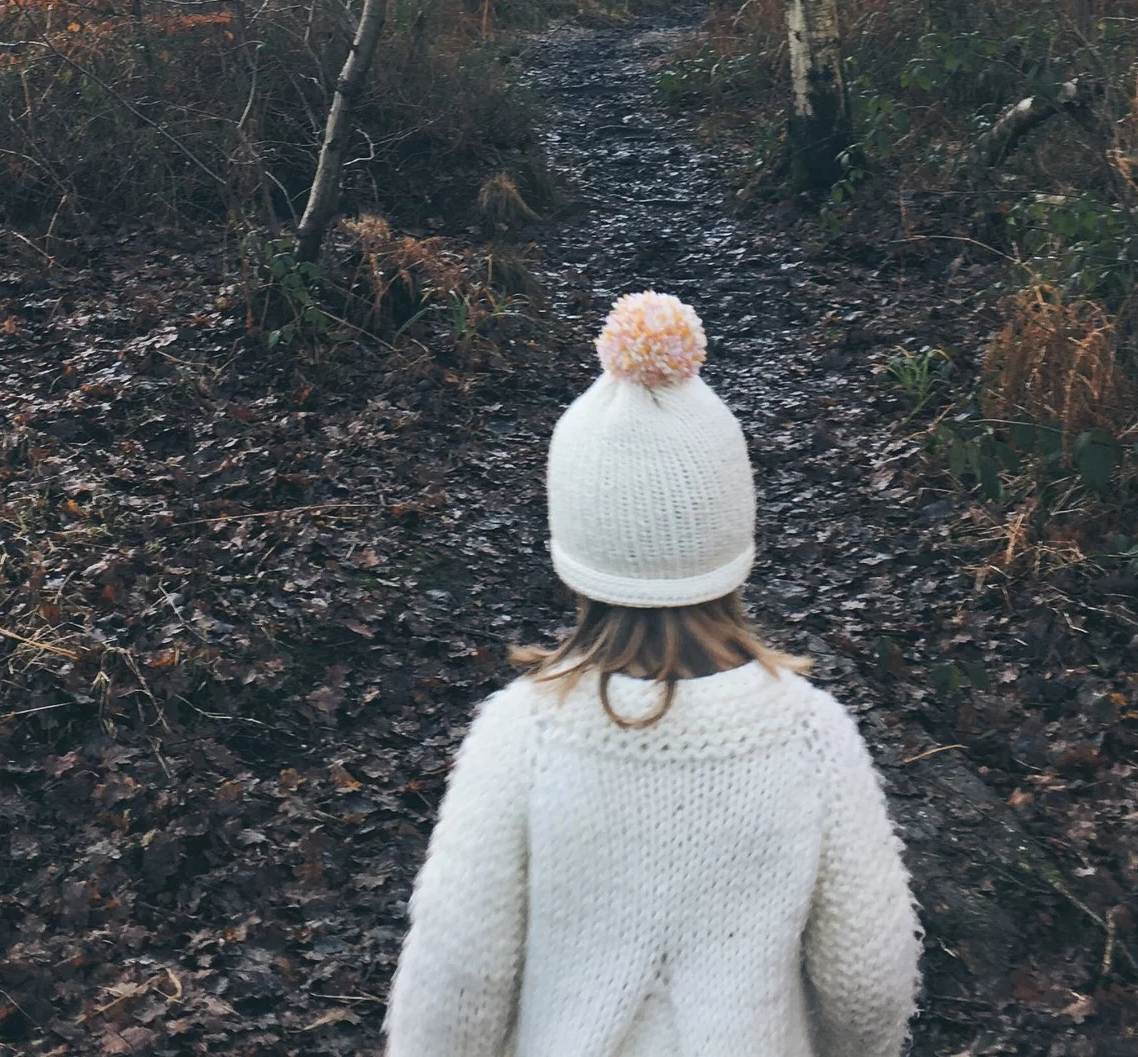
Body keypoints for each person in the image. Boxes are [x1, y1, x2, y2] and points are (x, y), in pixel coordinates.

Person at [386, 291, 921, 1057]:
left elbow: (457, 982)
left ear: (575, 546)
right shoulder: (809, 731)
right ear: (731, 534)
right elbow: (868, 977)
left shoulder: (525, 731)